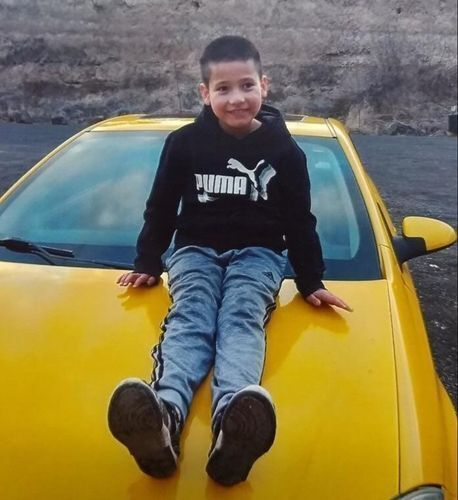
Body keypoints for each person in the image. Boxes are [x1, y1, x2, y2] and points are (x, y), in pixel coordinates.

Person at [108, 35, 351, 487]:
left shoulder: (286, 153)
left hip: (259, 256)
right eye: (223, 89)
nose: (236, 98)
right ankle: (163, 418)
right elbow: (161, 207)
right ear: (205, 93)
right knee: (191, 316)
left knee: (241, 318)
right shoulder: (183, 145)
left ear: (265, 85)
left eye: (246, 86)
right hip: (195, 251)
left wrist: (310, 279)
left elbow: (299, 219)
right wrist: (148, 260)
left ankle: (231, 430)